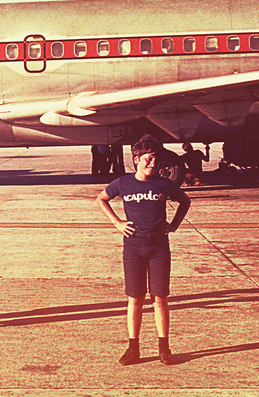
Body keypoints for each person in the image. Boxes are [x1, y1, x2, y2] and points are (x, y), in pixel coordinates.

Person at [96, 134, 190, 366]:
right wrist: (117, 223)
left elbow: (185, 201)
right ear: (137, 159)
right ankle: (133, 347)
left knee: (160, 298)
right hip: (134, 249)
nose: (153, 164)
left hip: (159, 249)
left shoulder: (164, 184)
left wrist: (175, 225)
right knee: (135, 298)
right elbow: (101, 199)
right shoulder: (123, 183)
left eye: (156, 160)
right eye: (148, 159)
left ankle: (164, 347)